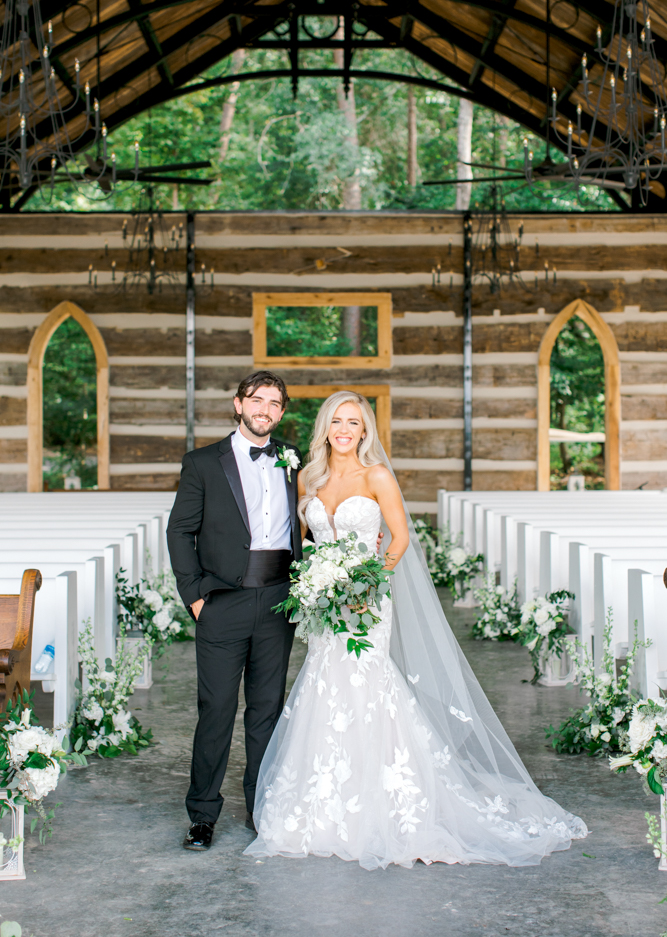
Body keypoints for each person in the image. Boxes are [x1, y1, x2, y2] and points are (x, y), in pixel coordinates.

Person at [245, 391, 587, 870]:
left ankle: (386, 803)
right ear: (325, 427)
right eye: (336, 421)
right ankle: (326, 801)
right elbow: (300, 540)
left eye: (354, 422)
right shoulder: (308, 478)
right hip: (326, 606)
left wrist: (370, 583)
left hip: (367, 602)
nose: (344, 429)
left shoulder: (377, 475)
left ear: (365, 431)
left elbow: (400, 537)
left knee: (366, 682)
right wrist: (315, 584)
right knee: (326, 684)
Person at [167, 370, 302, 850]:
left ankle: (262, 808)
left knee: (266, 711)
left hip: (278, 600)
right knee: (216, 711)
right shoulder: (203, 462)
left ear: (281, 411)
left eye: (275, 403)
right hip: (222, 602)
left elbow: (307, 522)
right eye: (257, 400)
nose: (265, 409)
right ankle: (202, 815)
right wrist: (196, 597)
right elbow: (180, 531)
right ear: (238, 403)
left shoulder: (294, 460)